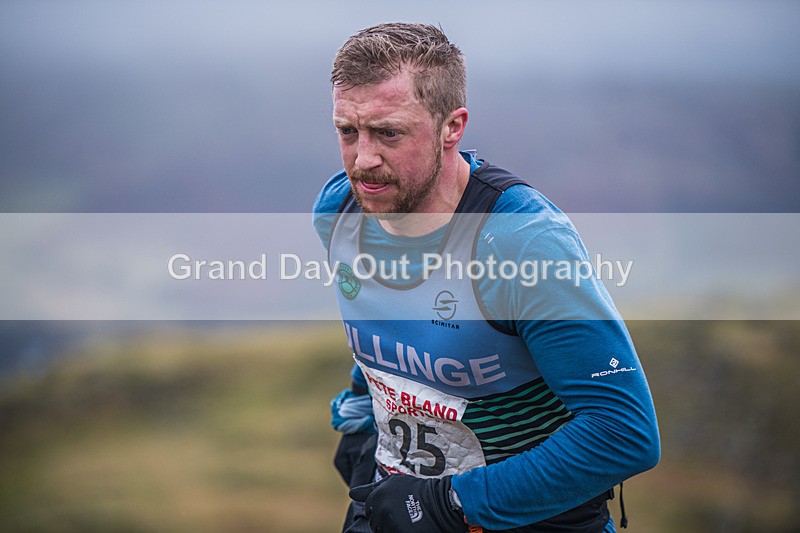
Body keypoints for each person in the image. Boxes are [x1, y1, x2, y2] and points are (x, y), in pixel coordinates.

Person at [314, 23, 660, 533]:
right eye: (348, 131)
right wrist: (363, 413)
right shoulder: (341, 211)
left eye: (389, 133)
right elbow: (392, 327)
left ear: (451, 127)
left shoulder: (521, 242)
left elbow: (624, 434)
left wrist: (451, 504)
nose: (363, 160)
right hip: (391, 509)